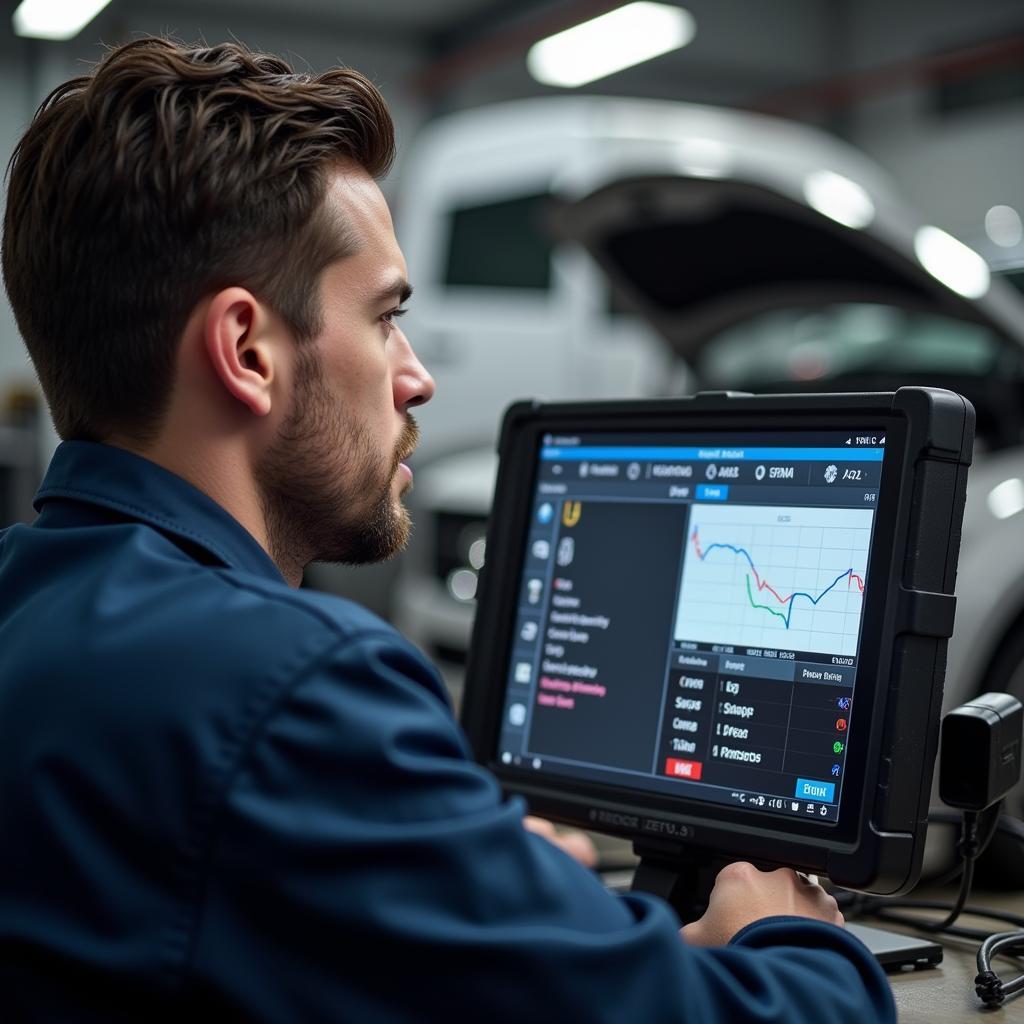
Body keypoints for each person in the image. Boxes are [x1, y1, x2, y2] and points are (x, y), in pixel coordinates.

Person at [0, 36, 894, 1022]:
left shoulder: (27, 607)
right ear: (247, 350)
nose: (415, 374)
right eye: (386, 317)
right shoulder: (294, 690)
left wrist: (467, 875)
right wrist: (794, 937)